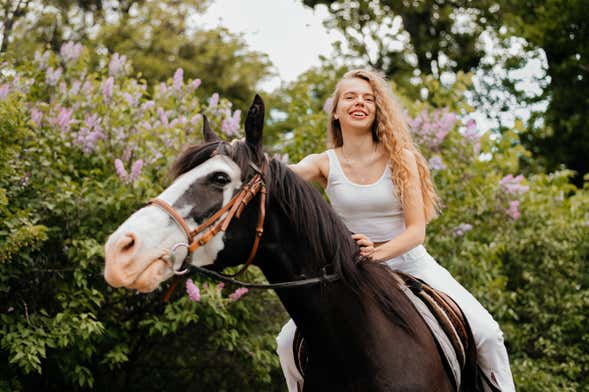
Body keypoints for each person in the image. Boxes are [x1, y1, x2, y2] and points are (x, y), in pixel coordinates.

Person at [278, 69, 516, 391]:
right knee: (286, 341)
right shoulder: (323, 163)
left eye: (368, 98)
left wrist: (376, 252)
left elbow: (416, 231)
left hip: (410, 263)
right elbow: (278, 177)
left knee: (487, 333)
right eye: (350, 97)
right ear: (336, 111)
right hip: (352, 273)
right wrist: (245, 159)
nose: (359, 103)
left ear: (377, 110)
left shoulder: (401, 158)